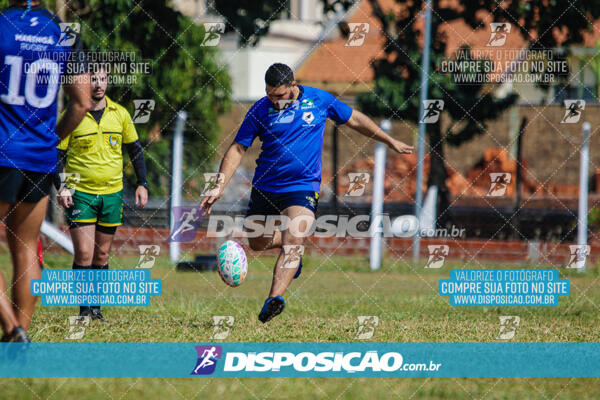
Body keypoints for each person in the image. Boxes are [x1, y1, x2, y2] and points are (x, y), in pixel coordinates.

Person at [201, 63, 413, 323]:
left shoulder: (318, 99)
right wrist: (219, 185)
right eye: (269, 94)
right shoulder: (260, 109)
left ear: (293, 85)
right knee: (256, 241)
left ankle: (274, 298)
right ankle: (293, 245)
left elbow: (355, 118)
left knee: (294, 241)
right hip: (266, 185)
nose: (274, 100)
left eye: (278, 95)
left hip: (302, 186)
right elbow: (237, 149)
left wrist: (389, 140)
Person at [0, 0, 90, 342]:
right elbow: (81, 103)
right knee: (25, 246)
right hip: (40, 158)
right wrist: (51, 141)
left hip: (3, 152)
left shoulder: (3, 25)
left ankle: (12, 327)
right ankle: (20, 336)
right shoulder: (63, 32)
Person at [56, 67, 148, 322]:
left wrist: (143, 183)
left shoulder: (120, 114)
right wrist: (62, 186)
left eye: (103, 78)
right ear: (85, 82)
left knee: (102, 255)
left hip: (112, 193)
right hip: (80, 194)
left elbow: (136, 150)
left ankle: (96, 309)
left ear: (108, 80)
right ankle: (84, 311)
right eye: (93, 79)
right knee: (84, 254)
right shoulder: (72, 114)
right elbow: (57, 154)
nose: (98, 84)